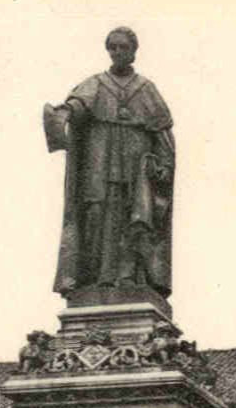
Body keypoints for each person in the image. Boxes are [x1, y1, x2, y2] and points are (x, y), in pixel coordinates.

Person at [44, 28, 175, 299]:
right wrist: (65, 112)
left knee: (133, 217)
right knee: (96, 214)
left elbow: (161, 132)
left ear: (133, 51)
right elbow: (79, 105)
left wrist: (164, 164)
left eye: (122, 47)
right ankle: (94, 276)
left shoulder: (146, 88)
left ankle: (128, 275)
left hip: (136, 164)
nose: (117, 52)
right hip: (100, 161)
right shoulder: (96, 84)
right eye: (112, 47)